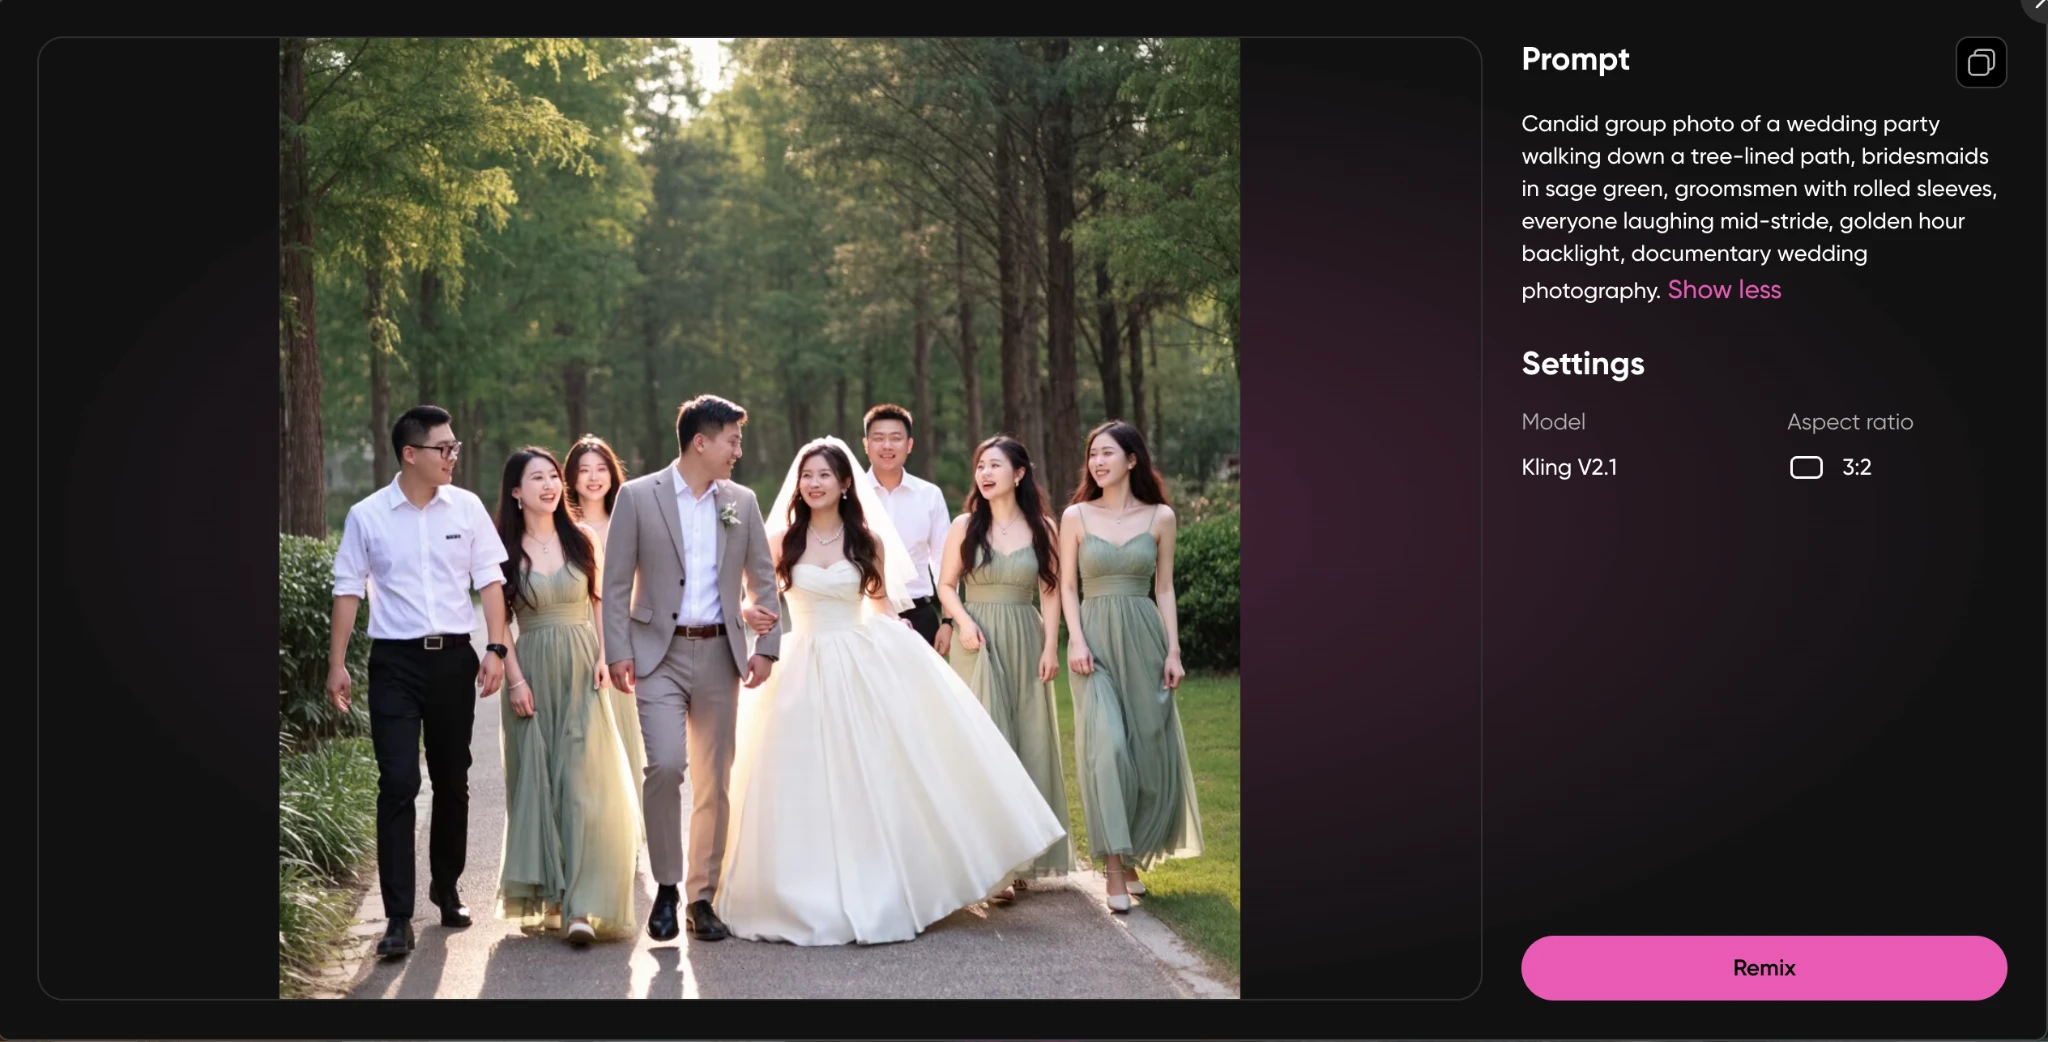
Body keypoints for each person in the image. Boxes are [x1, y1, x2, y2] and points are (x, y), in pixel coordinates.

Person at [717, 437, 1066, 946]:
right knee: (800, 775)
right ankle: (801, 887)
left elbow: (879, 606)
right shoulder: (781, 542)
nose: (813, 483)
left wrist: (904, 642)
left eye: (824, 476)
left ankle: (888, 878)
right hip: (803, 660)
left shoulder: (868, 542)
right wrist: (750, 615)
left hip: (859, 657)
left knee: (875, 772)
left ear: (843, 484)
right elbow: (753, 600)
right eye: (806, 476)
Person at [327, 405, 512, 958]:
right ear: (411, 454)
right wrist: (337, 663)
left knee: (453, 780)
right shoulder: (368, 515)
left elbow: (491, 581)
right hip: (395, 664)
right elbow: (348, 589)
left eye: (454, 447)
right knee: (400, 781)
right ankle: (398, 916)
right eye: (444, 448)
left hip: (455, 659)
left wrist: (497, 648)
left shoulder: (469, 507)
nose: (454, 455)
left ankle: (447, 889)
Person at [601, 395, 784, 943]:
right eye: (732, 440)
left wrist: (766, 646)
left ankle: (701, 898)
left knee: (713, 781)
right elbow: (613, 586)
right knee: (665, 767)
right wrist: (617, 650)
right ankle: (666, 883)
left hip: (720, 656)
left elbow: (764, 581)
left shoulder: (742, 502)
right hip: (657, 652)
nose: (738, 451)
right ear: (700, 442)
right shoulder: (637, 497)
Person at [490, 446, 642, 945]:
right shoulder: (502, 552)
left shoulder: (583, 540)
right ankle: (552, 895)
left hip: (582, 668)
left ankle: (582, 906)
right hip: (531, 669)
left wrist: (604, 654)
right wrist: (515, 679)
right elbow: (499, 627)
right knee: (539, 785)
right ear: (516, 491)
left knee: (582, 786)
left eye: (554, 476)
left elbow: (599, 604)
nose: (551, 485)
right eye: (537, 478)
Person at [1059, 420, 1204, 913]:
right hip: (1093, 643)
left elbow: (1163, 588)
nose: (1097, 462)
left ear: (1132, 460)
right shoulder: (1075, 516)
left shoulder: (1160, 517)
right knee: (1109, 747)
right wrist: (1074, 641)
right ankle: (1114, 866)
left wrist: (1174, 651)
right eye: (1092, 455)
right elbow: (1068, 588)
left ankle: (1133, 852)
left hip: (1144, 639)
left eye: (1107, 454)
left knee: (1145, 751)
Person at [936, 435, 1074, 898]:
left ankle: (1019, 857)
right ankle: (988, 864)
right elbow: (947, 586)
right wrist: (962, 623)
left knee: (1027, 741)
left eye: (995, 465)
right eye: (980, 466)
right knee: (983, 743)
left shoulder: (1045, 529)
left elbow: (1052, 590)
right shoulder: (964, 526)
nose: (985, 473)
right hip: (976, 640)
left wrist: (1051, 646)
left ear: (1019, 473)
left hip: (1025, 635)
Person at [562, 434, 642, 807]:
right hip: (578, 632)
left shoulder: (629, 519)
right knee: (583, 736)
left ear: (612, 474)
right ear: (571, 478)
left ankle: (627, 821)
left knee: (624, 730)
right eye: (584, 471)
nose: (594, 478)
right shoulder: (561, 527)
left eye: (601, 469)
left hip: (624, 633)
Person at [859, 404, 953, 652]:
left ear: (909, 445)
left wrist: (948, 620)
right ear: (866, 444)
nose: (887, 446)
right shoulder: (850, 496)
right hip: (862, 617)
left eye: (896, 438)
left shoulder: (930, 495)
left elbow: (944, 562)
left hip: (919, 615)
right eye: (878, 438)